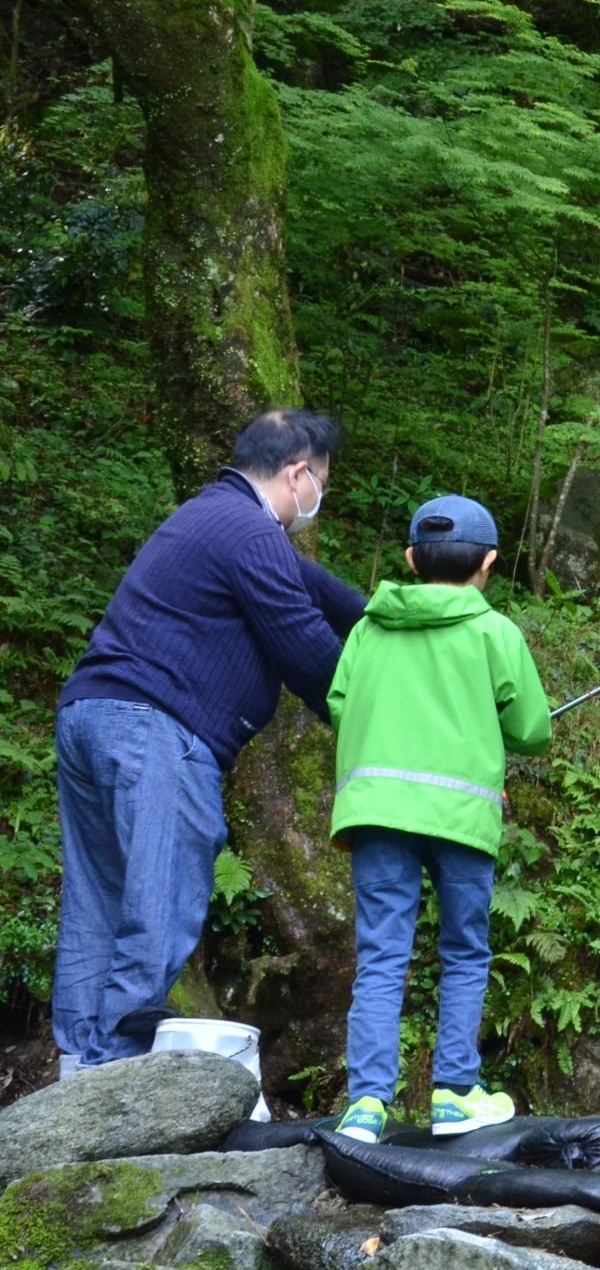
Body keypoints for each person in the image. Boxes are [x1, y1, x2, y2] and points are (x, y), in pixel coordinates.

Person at [52, 409, 365, 1070]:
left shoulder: (213, 516)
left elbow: (329, 596)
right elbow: (310, 653)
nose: (320, 498)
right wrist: (386, 721)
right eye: (323, 482)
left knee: (99, 906)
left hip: (91, 717)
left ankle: (76, 1071)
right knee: (159, 900)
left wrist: (405, 621)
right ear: (298, 473)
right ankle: (115, 1067)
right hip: (155, 729)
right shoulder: (249, 532)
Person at [326, 495, 552, 1142]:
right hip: (460, 816)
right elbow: (532, 730)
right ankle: (454, 1093)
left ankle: (366, 1105)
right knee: (463, 951)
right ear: (489, 562)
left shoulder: (370, 628)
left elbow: (341, 704)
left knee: (380, 957)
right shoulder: (494, 633)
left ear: (408, 560)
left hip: (375, 812)